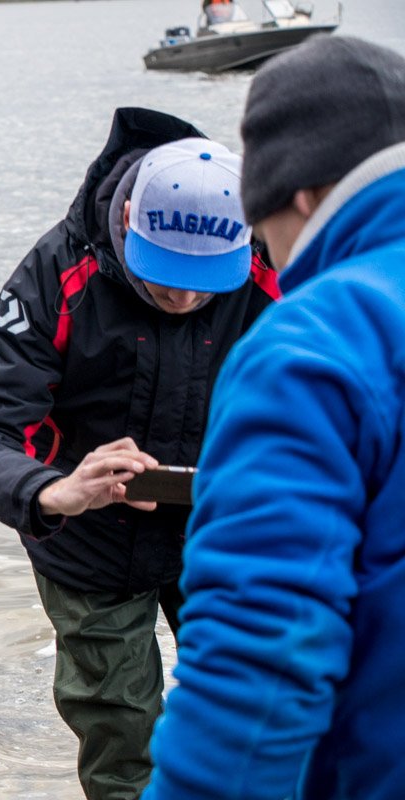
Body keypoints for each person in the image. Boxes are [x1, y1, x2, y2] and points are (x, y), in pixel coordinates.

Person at [0, 107, 279, 800]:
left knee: (261, 721)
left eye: (205, 284)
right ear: (128, 222)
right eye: (164, 279)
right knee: (125, 741)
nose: (185, 298)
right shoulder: (55, 272)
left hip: (231, 529)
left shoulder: (276, 260)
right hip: (89, 543)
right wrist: (52, 492)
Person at [142, 36, 405, 800]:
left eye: (261, 236)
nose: (276, 266)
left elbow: (265, 658)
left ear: (297, 196)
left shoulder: (316, 341)